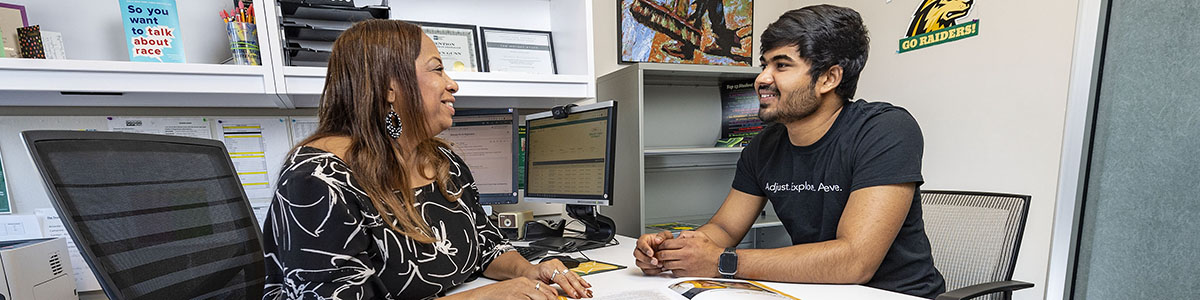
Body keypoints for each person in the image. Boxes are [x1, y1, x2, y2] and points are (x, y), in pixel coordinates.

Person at [261, 20, 592, 300]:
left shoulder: (442, 159)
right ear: (390, 87)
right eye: (437, 69)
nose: (453, 84)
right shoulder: (316, 180)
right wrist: (486, 296)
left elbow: (486, 244)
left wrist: (529, 271)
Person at [632, 5, 946, 299]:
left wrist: (722, 261)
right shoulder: (764, 146)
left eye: (781, 65)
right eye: (764, 65)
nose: (762, 79)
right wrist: (674, 250)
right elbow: (725, 228)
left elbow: (854, 261)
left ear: (828, 78)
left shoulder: (885, 130)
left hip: (897, 295)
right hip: (817, 291)